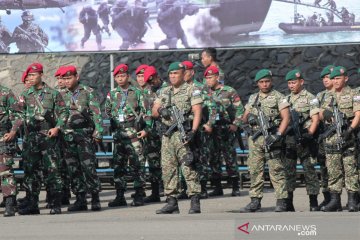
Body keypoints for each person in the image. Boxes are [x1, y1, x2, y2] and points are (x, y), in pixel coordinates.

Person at [17, 63, 68, 215]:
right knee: (31, 172)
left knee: (52, 171)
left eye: (33, 75)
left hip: (48, 137)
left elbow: (63, 113)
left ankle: (55, 203)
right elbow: (17, 114)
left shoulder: (53, 94)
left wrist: (57, 128)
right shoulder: (25, 95)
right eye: (29, 76)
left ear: (41, 75)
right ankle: (33, 204)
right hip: (31, 138)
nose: (30, 78)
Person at [152, 62, 202, 214]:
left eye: (176, 73)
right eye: (171, 74)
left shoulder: (192, 90)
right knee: (168, 168)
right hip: (167, 135)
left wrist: (193, 131)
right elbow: (154, 111)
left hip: (183, 133)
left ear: (183, 74)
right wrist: (161, 110)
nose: (173, 76)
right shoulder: (164, 91)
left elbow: (197, 111)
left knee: (188, 166)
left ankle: (194, 201)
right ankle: (172, 202)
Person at [240, 69, 290, 212]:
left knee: (276, 169)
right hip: (255, 139)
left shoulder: (279, 97)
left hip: (272, 138)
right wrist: (248, 121)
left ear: (271, 81)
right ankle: (255, 201)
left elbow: (286, 118)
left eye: (267, 81)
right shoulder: (253, 98)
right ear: (257, 84)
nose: (265, 84)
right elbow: (244, 117)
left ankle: (281, 201)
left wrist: (278, 135)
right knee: (255, 170)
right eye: (261, 82)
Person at [105, 64, 152, 207]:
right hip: (119, 134)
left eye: (123, 76)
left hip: (134, 134)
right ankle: (120, 196)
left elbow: (147, 112)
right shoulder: (112, 94)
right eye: (117, 76)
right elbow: (107, 111)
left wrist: (147, 129)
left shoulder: (137, 93)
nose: (120, 78)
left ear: (127, 76)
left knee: (137, 164)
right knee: (119, 165)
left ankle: (138, 195)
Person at [60, 66, 103, 212]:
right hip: (67, 136)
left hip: (84, 135)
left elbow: (96, 113)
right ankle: (80, 199)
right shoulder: (60, 94)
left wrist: (98, 131)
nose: (66, 81)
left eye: (69, 78)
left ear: (76, 77)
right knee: (73, 168)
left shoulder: (87, 92)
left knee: (88, 167)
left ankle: (95, 198)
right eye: (64, 79)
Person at [320, 66, 360, 212]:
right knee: (333, 170)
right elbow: (319, 115)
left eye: (338, 78)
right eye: (334, 78)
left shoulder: (354, 94)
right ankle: (335, 201)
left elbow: (358, 114)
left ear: (346, 78)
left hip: (347, 136)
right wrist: (324, 114)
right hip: (331, 138)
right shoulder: (327, 96)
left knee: (350, 169)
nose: (335, 81)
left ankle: (352, 201)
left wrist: (350, 130)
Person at [204, 65, 244, 197]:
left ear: (217, 77)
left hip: (226, 129)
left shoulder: (229, 91)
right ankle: (217, 187)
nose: (208, 80)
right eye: (207, 78)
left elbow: (240, 109)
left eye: (211, 77)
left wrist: (235, 124)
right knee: (213, 159)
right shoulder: (205, 93)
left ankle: (235, 187)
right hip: (211, 131)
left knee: (229, 158)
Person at [284, 69, 321, 211]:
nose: (291, 85)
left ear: (301, 82)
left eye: (294, 82)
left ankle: (313, 202)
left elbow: (315, 119)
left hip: (305, 139)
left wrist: (309, 134)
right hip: (290, 140)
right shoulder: (285, 99)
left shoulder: (310, 98)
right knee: (289, 171)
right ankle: (288, 202)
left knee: (309, 171)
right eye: (289, 83)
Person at [0, 84, 22, 217]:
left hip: (2, 137)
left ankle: (10, 203)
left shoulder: (5, 93)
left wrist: (13, 131)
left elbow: (18, 114)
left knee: (5, 172)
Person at [316, 65, 334, 209]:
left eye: (327, 77)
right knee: (324, 169)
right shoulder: (320, 96)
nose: (325, 80)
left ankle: (354, 198)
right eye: (323, 78)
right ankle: (328, 197)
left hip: (340, 135)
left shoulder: (344, 93)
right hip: (323, 136)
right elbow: (315, 115)